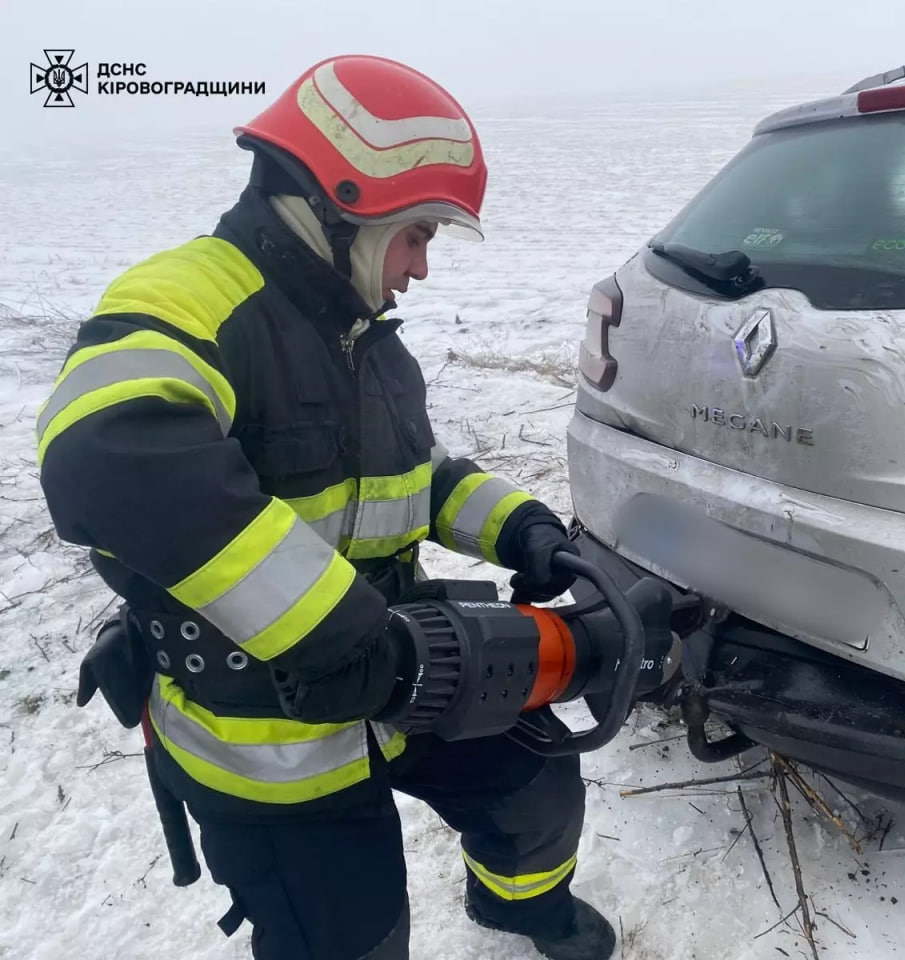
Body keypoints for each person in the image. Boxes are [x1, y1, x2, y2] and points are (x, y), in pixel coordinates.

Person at [36, 54, 617, 960]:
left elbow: (418, 480)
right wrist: (357, 642)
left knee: (532, 785)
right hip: (270, 745)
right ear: (343, 204)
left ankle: (523, 908)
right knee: (352, 935)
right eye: (418, 233)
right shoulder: (193, 296)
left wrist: (529, 533)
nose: (422, 268)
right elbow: (107, 457)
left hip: (397, 676)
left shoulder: (371, 344)